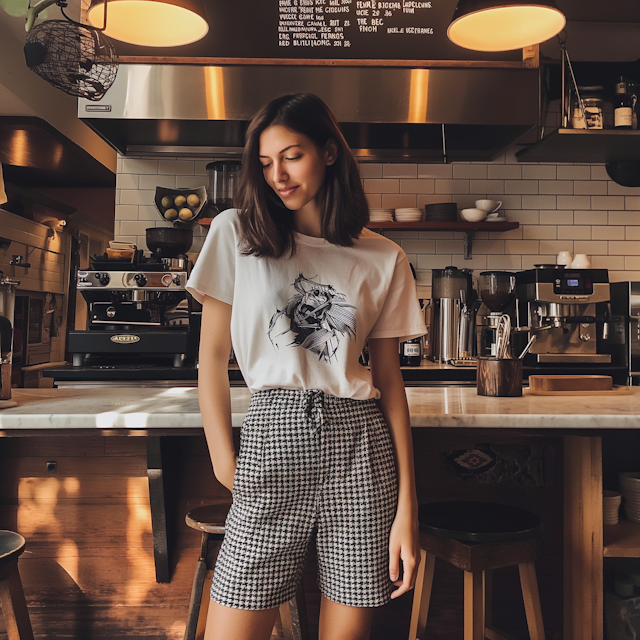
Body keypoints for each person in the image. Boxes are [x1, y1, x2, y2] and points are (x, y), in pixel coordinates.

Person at [186, 92, 427, 640]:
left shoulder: (384, 257)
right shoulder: (235, 233)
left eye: (291, 156)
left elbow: (390, 381)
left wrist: (406, 507)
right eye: (266, 163)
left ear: (329, 152)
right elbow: (211, 360)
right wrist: (227, 463)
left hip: (361, 452)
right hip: (272, 439)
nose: (278, 175)